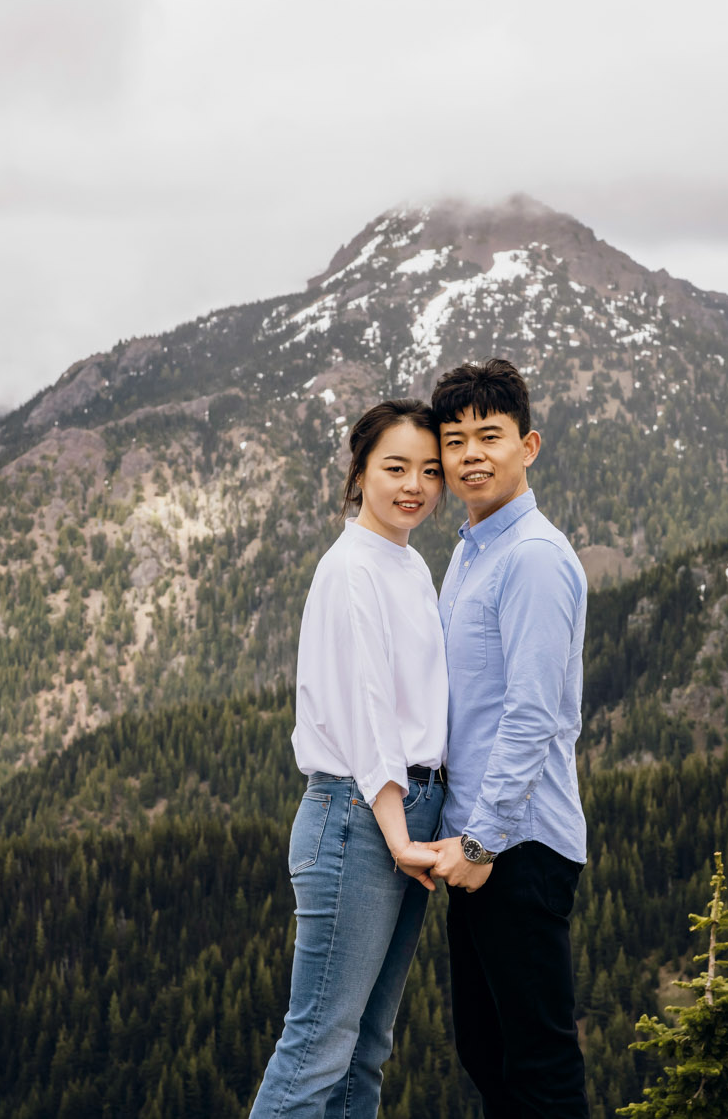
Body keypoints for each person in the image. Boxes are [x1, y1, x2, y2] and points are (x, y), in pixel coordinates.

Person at [248, 399, 451, 1119]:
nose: (414, 486)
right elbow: (369, 711)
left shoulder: (408, 564)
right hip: (359, 817)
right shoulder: (351, 569)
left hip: (403, 814)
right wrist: (398, 833)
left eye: (430, 470)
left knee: (367, 1047)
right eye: (395, 467)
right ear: (359, 469)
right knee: (317, 1049)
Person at [425, 359, 589, 1118]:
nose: (471, 455)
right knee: (488, 1057)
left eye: (489, 436)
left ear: (529, 445)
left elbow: (533, 714)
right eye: (455, 441)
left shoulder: (533, 558)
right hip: (478, 848)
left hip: (516, 848)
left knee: (539, 1067)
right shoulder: (469, 551)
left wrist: (483, 842)